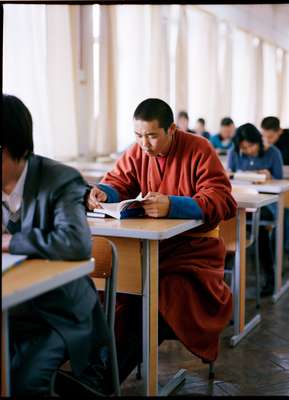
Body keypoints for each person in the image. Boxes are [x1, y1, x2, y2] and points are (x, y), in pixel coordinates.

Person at [86, 98, 237, 375]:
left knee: (160, 290)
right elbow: (119, 182)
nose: (144, 144)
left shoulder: (199, 149)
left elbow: (222, 200)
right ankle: (100, 369)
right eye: (138, 135)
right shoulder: (138, 151)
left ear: (172, 131)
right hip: (148, 247)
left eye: (152, 136)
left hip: (193, 251)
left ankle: (108, 376)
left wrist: (174, 205)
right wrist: (103, 193)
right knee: (117, 287)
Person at [2, 94, 111, 396]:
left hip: (59, 312)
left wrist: (12, 242)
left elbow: (77, 243)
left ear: (7, 149)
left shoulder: (59, 179)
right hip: (13, 308)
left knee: (24, 379)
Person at [227, 123, 284, 296]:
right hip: (240, 204)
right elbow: (228, 176)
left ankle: (270, 277)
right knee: (224, 225)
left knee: (260, 230)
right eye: (244, 147)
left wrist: (269, 176)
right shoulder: (234, 153)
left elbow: (280, 180)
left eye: (251, 145)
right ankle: (220, 280)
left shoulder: (273, 153)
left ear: (258, 141)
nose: (249, 150)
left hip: (266, 204)